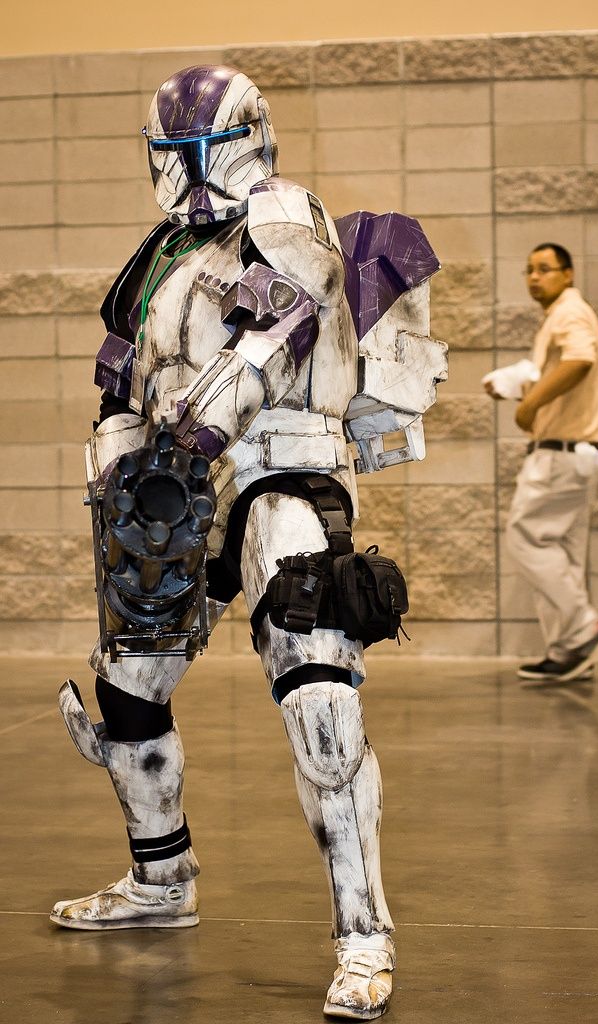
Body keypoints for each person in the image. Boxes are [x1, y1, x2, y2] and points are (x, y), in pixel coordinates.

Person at [49, 65, 446, 1019]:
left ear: (246, 138)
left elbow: (285, 313)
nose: (188, 175)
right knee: (126, 690)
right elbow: (119, 378)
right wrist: (119, 466)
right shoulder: (158, 257)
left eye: (200, 152)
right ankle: (161, 881)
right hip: (179, 491)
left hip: (279, 470)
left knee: (317, 691)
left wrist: (204, 419)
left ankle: (362, 935)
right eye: (171, 155)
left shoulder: (279, 212)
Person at [484, 243, 598, 685]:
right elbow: (564, 369)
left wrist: (528, 405)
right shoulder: (559, 316)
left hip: (560, 453)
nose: (535, 277)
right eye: (529, 269)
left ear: (568, 274)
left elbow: (580, 360)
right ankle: (570, 652)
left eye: (545, 269)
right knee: (563, 555)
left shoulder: (570, 312)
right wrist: (519, 385)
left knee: (526, 537)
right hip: (576, 453)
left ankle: (582, 627)